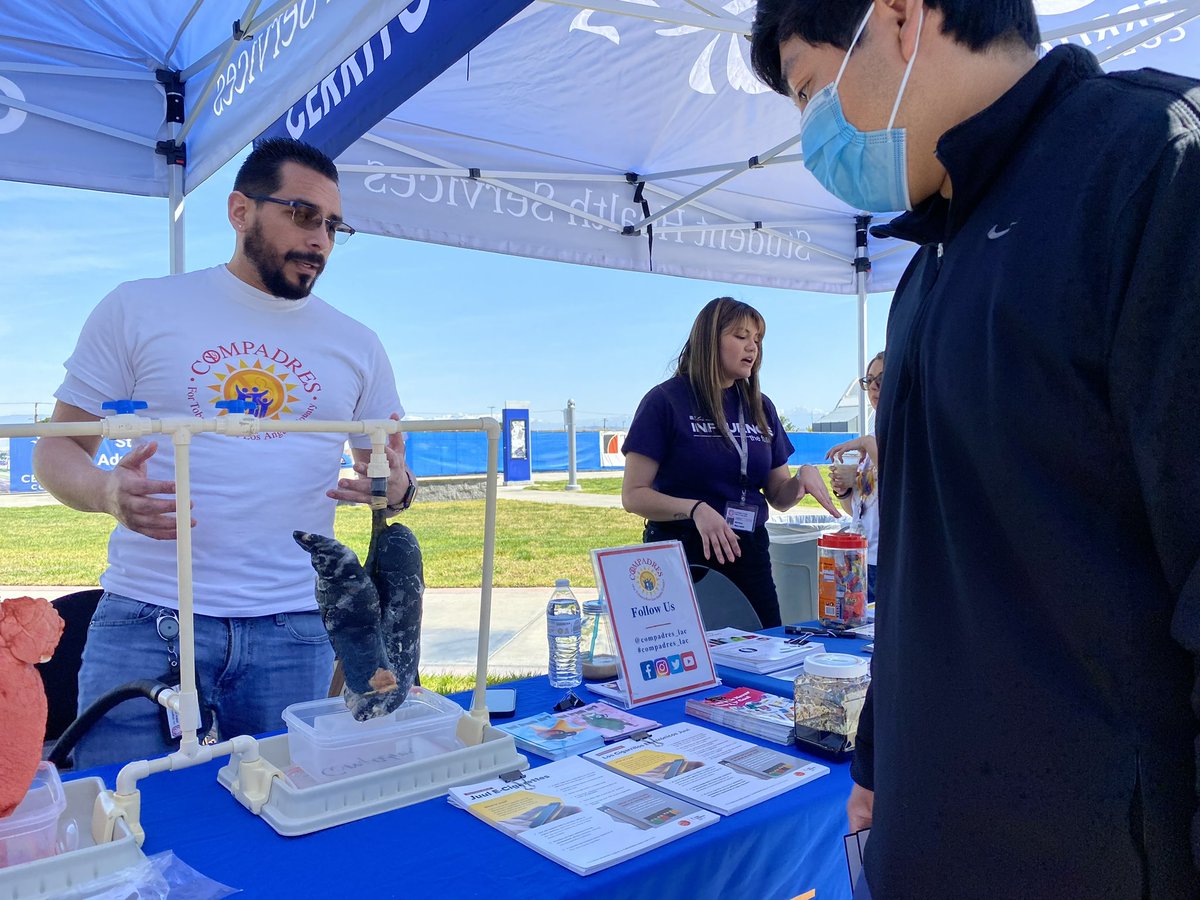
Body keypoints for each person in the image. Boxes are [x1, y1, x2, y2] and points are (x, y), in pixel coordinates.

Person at [750, 2, 1199, 897]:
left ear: (903, 19)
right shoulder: (928, 267)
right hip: (924, 837)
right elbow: (927, 562)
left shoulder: (1150, 167)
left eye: (811, 91)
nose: (814, 135)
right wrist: (879, 756)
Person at [34, 138, 416, 769]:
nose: (320, 238)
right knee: (123, 817)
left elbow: (392, 484)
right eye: (300, 214)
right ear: (240, 211)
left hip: (295, 631)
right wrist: (107, 493)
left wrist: (392, 486)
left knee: (278, 821)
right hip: (146, 617)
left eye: (331, 224)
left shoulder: (358, 344)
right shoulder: (138, 307)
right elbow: (57, 453)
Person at [621, 297, 840, 628]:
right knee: (691, 663)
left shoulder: (760, 406)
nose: (752, 347)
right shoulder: (665, 401)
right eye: (741, 336)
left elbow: (778, 496)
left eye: (757, 339)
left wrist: (801, 480)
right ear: (710, 339)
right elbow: (633, 495)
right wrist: (696, 509)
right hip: (684, 551)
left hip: (748, 550)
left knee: (766, 652)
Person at [826, 351, 883, 604]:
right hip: (860, 558)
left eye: (882, 379)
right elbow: (858, 511)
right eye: (869, 380)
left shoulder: (906, 432)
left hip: (888, 562)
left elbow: (901, 487)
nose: (873, 387)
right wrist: (845, 491)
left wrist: (867, 443)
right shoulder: (871, 437)